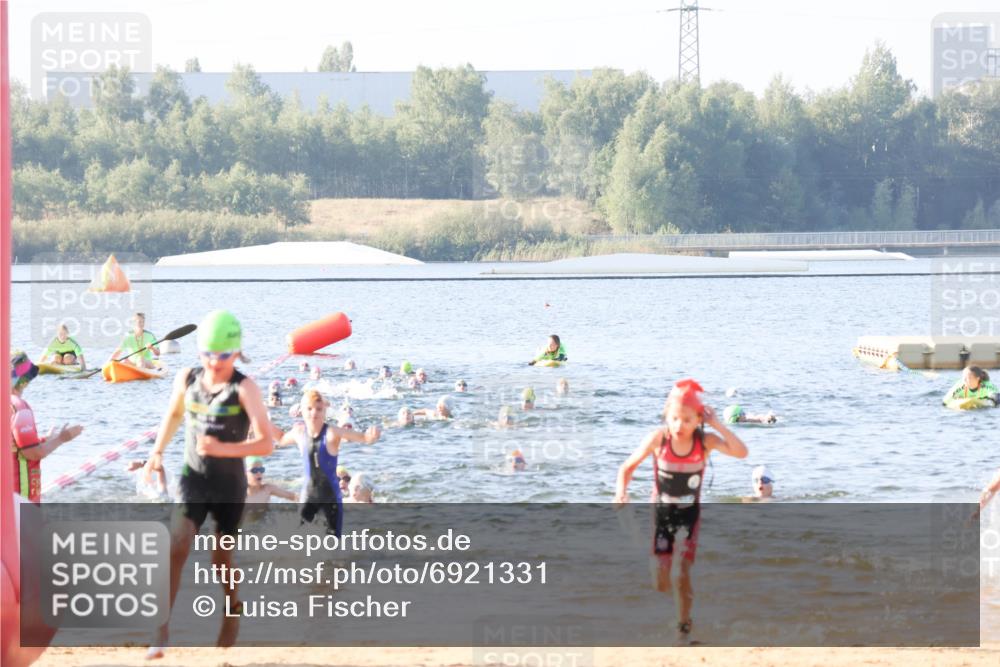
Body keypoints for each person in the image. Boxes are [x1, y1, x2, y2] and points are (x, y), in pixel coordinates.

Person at [142, 310, 273, 657]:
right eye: (208, 354)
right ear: (199, 352)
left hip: (230, 487)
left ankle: (232, 608)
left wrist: (223, 448)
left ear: (236, 352)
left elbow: (266, 443)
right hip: (192, 478)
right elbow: (172, 415)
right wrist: (156, 453)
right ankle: (161, 631)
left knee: (220, 561)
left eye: (223, 355)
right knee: (177, 544)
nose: (215, 362)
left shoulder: (245, 388)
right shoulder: (187, 378)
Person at [614, 378, 748, 644]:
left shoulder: (705, 441)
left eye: (687, 420)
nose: (679, 426)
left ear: (698, 419)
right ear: (666, 416)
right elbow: (626, 468)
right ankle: (678, 602)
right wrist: (621, 492)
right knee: (661, 581)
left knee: (680, 572)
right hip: (661, 515)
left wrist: (717, 424)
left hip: (689, 517)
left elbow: (741, 452)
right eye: (674, 418)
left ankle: (683, 630)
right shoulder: (658, 439)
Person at [277, 390, 380, 535]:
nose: (314, 413)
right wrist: (259, 420)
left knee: (332, 543)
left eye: (319, 409)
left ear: (325, 411)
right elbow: (281, 439)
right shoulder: (298, 432)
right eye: (309, 409)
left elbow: (364, 438)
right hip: (309, 494)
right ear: (302, 410)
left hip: (330, 497)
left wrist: (372, 436)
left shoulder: (332, 432)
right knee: (298, 537)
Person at [10, 351, 83, 503]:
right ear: (23, 381)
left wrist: (44, 439)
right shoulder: (20, 408)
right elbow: (33, 453)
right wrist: (62, 438)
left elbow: (13, 445)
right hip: (20, 498)